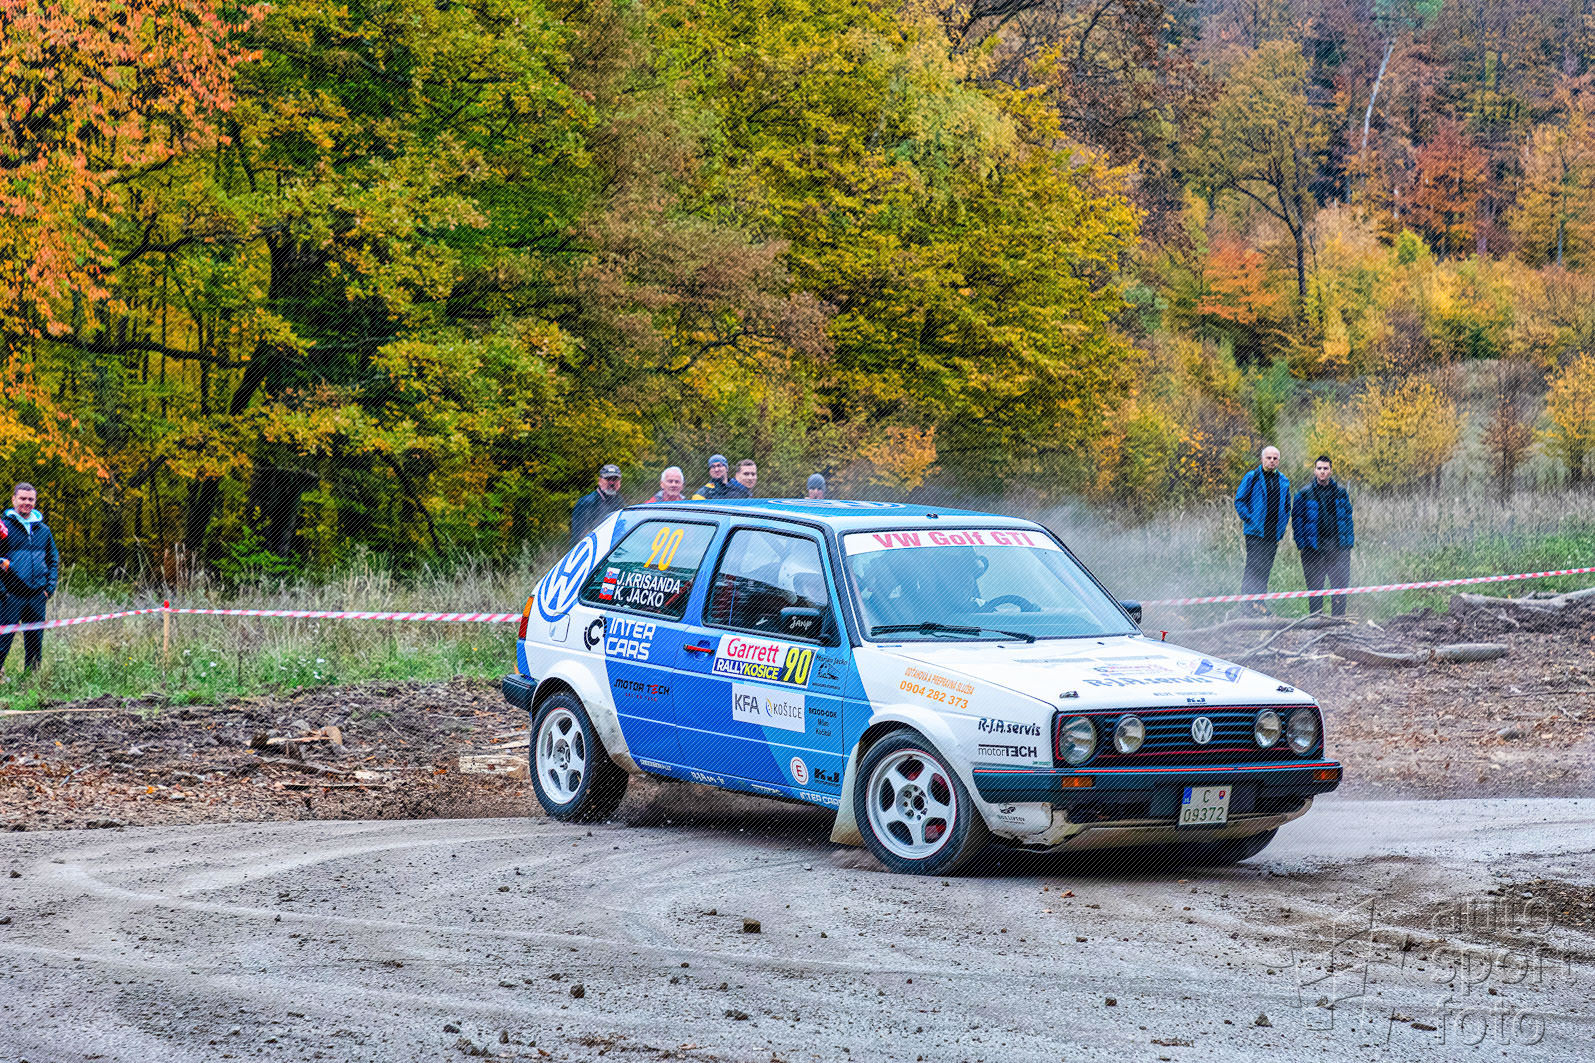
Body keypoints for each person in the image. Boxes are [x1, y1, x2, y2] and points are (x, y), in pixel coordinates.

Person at [0, 483, 59, 678]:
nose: (27, 502)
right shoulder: (3, 527)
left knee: (35, 642)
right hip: (10, 595)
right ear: (13, 500)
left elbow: (53, 559)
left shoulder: (43, 530)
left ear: (35, 501)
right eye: (23, 498)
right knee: (3, 640)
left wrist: (49, 587)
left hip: (37, 595)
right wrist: (2, 591)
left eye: (30, 499)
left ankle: (31, 681)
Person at [1292, 455, 1355, 617]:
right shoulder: (1304, 494)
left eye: (1325, 468)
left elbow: (1348, 518)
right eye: (1319, 468)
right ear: (1314, 471)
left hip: (1337, 549)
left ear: (1331, 471)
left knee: (1339, 588)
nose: (1322, 471)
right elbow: (1297, 521)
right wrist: (1302, 545)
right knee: (1315, 588)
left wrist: (1348, 544)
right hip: (1313, 550)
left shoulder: (1340, 492)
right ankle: (1316, 622)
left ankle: (1338, 622)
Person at [1233, 446, 1290, 611]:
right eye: (1268, 458)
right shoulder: (1252, 477)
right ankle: (1247, 604)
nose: (1272, 461)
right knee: (1253, 567)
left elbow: (1287, 507)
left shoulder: (1283, 481)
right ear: (1262, 459)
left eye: (1275, 458)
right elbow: (1239, 501)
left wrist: (1281, 528)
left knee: (1266, 568)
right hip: (1256, 532)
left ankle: (1260, 603)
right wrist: (1250, 519)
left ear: (1278, 461)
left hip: (1273, 533)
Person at [570, 463, 626, 547]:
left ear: (619, 482)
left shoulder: (620, 503)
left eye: (615, 479)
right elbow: (579, 536)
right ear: (600, 481)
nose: (611, 483)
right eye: (608, 479)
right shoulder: (586, 503)